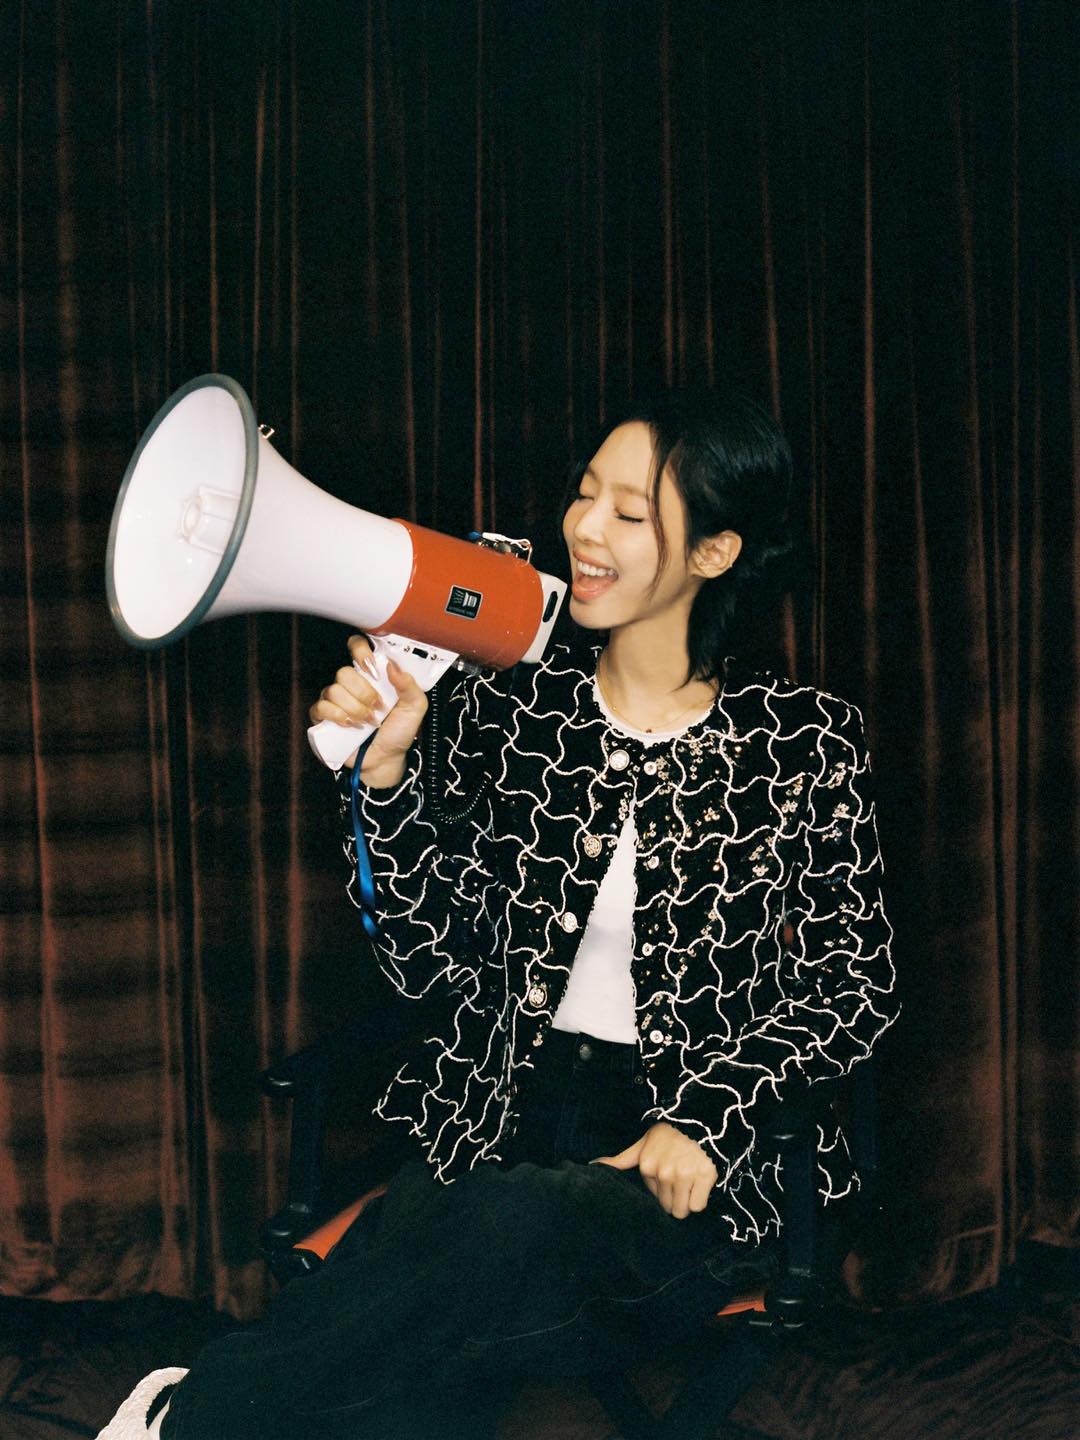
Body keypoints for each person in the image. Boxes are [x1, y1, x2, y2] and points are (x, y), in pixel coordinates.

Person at [99, 387, 899, 1439]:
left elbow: (855, 983)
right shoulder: (509, 706)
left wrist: (708, 1116)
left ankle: (186, 1418)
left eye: (630, 512)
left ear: (715, 552)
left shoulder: (803, 742)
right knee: (452, 1278)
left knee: (476, 1237)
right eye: (584, 494)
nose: (584, 530)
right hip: (497, 1116)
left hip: (680, 1158)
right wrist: (384, 781)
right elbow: (427, 965)